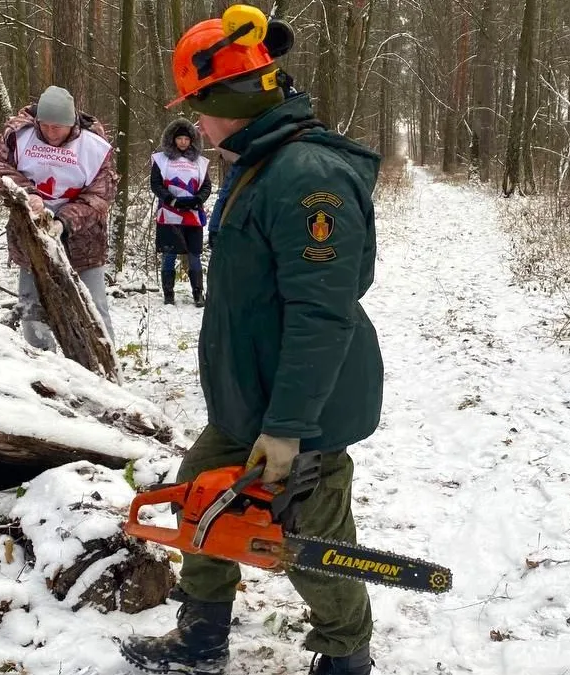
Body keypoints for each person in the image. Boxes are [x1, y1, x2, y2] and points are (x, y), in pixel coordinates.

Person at [119, 6, 383, 675]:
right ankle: (202, 633)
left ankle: (346, 655)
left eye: (200, 108)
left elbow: (322, 314)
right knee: (197, 498)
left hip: (303, 407)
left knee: (311, 536)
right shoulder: (259, 164)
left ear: (228, 102)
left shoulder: (306, 177)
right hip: (250, 399)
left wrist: (289, 427)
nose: (197, 126)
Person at [0, 85, 118, 350]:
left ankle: (102, 366)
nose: (51, 133)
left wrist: (64, 222)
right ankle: (45, 365)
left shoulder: (93, 146)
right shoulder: (18, 135)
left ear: (72, 123)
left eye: (58, 127)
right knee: (31, 310)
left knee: (94, 311)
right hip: (31, 239)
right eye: (46, 126)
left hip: (84, 242)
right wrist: (25, 193)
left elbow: (100, 196)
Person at [151, 118, 213, 307]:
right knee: (169, 255)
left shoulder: (200, 162)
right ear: (173, 139)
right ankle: (168, 293)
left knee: (194, 255)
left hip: (193, 214)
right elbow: (156, 184)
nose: (183, 142)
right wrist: (170, 199)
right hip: (169, 214)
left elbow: (206, 186)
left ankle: (198, 293)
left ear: (192, 140)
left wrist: (198, 199)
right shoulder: (161, 160)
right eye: (179, 139)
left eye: (186, 139)